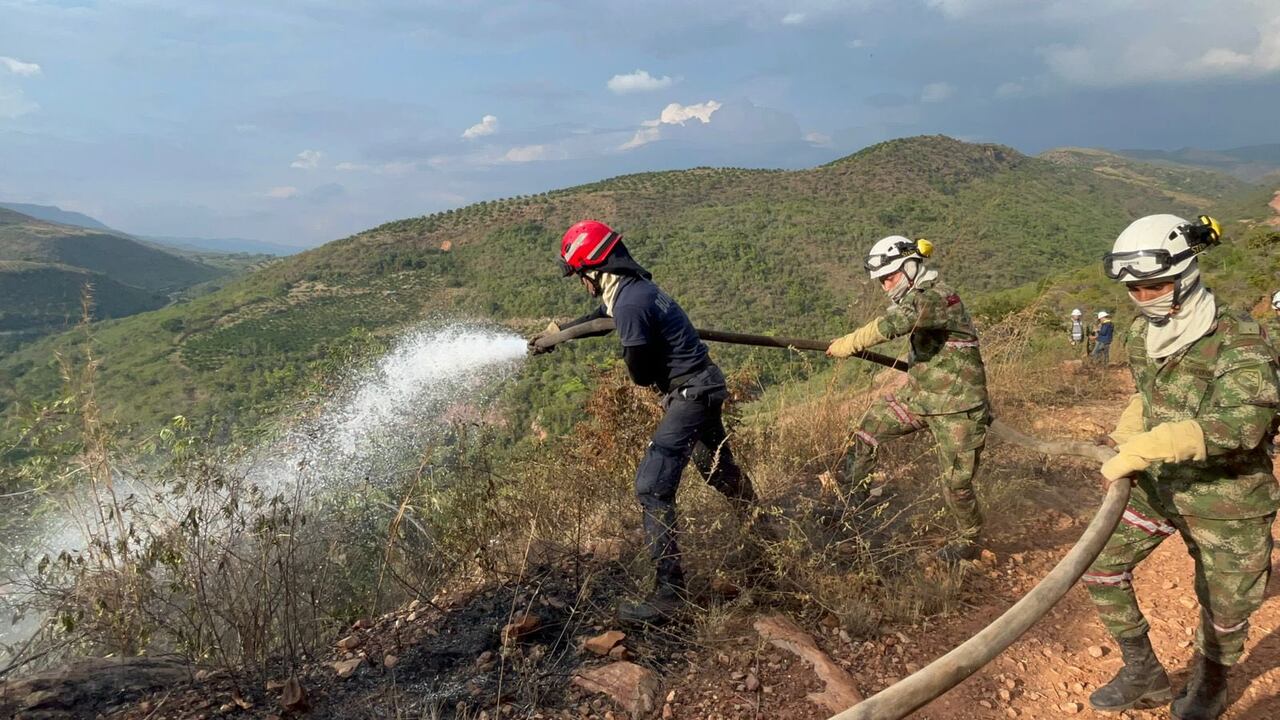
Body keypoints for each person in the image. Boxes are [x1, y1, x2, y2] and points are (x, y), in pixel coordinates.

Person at [1083, 214, 1279, 719]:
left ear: (1187, 272)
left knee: (1226, 606)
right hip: (1160, 488)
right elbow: (1146, 397)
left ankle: (1210, 682)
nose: (1145, 297)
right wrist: (1129, 436)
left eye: (1155, 285)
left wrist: (1156, 444)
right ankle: (1142, 672)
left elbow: (1243, 425)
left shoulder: (1239, 337)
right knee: (1099, 565)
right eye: (1135, 289)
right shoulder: (1139, 334)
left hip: (1228, 500)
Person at [528, 219, 760, 624]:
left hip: (691, 395)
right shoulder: (632, 290)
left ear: (595, 269)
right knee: (718, 472)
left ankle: (669, 596)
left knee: (652, 486)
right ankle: (766, 538)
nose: (582, 282)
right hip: (703, 385)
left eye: (582, 274)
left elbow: (639, 372)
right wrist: (559, 333)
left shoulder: (631, 304)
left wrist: (636, 356)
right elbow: (600, 319)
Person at [826, 236, 991, 563]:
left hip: (957, 408)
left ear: (912, 267)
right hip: (919, 398)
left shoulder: (937, 298)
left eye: (890, 277)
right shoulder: (918, 298)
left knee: (956, 484)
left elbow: (894, 323)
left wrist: (851, 342)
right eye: (882, 281)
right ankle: (854, 511)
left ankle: (969, 540)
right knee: (865, 433)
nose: (886, 286)